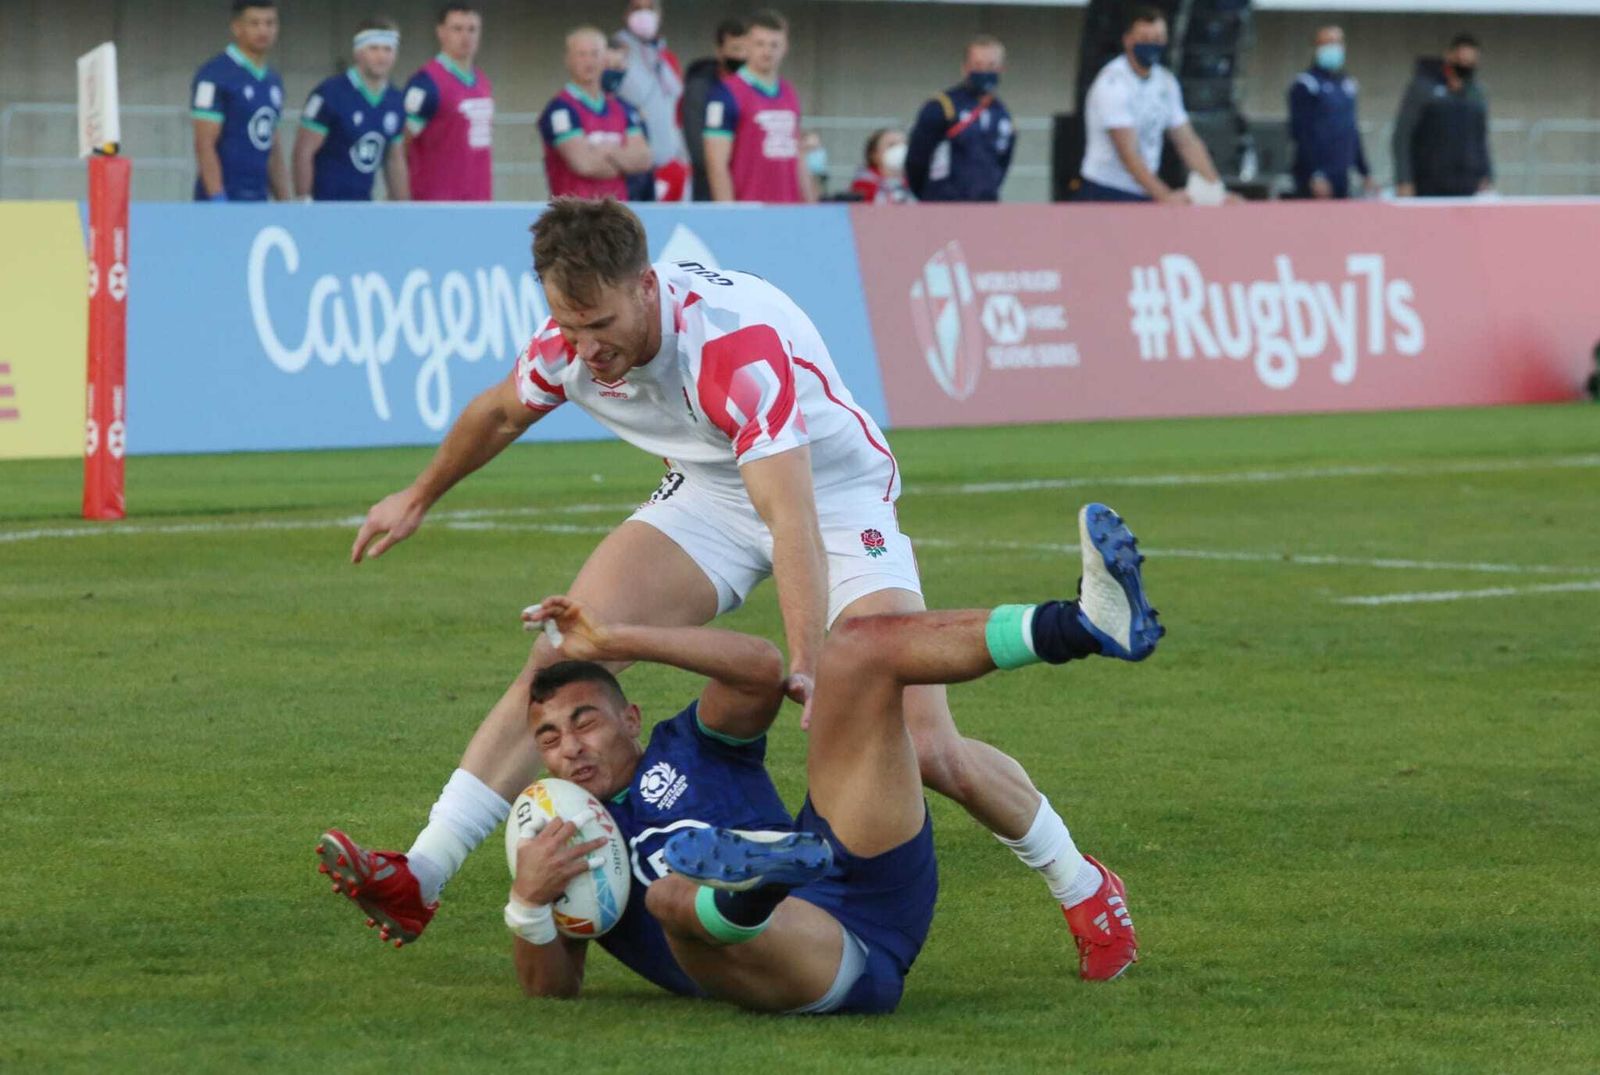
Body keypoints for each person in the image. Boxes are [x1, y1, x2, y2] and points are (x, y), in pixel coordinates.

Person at [319, 198, 1157, 983]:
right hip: (711, 492)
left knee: (928, 746)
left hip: (828, 495)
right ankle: (420, 873)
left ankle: (1083, 882)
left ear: (646, 286)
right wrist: (419, 494)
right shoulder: (568, 344)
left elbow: (789, 516)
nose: (588, 348)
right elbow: (499, 413)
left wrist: (808, 663)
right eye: (571, 326)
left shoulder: (732, 347)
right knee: (563, 650)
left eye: (603, 324)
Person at [497, 507, 1158, 1011]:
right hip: (816, 960)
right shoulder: (562, 832)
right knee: (672, 896)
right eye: (550, 737)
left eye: (584, 720)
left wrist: (614, 635)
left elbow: (759, 667)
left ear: (628, 718)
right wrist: (529, 900)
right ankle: (756, 886)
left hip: (858, 878)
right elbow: (552, 989)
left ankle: (1082, 623)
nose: (571, 745)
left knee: (858, 648)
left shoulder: (688, 743)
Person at [1077, 6, 1229, 203]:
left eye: (1158, 39)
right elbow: (1128, 154)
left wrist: (1216, 189)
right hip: (1107, 190)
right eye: (1145, 38)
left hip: (1143, 191)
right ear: (1128, 40)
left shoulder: (1165, 82)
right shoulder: (1112, 83)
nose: (1152, 45)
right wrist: (1164, 197)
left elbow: (1187, 141)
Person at [293, 18, 410, 202]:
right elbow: (304, 151)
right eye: (374, 48)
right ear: (358, 52)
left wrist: (403, 207)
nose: (382, 56)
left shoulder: (395, 100)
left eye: (388, 49)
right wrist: (303, 200)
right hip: (325, 205)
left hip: (363, 207)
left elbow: (394, 159)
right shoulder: (330, 93)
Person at [703, 9, 812, 204]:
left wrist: (811, 205)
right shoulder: (725, 93)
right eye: (760, 44)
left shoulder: (789, 93)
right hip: (749, 211)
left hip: (789, 210)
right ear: (747, 45)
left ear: (785, 47)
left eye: (774, 44)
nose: (767, 51)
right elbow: (716, 164)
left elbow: (798, 157)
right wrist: (729, 215)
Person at [189, 0, 289, 202]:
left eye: (270, 23)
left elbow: (273, 146)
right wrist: (218, 198)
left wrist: (284, 201)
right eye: (255, 23)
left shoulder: (273, 80)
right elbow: (204, 144)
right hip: (223, 200)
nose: (263, 30)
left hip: (259, 199)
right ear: (237, 27)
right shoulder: (213, 75)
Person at [538, 28, 651, 201]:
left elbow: (643, 160)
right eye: (581, 54)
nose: (589, 61)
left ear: (604, 59)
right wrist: (623, 162)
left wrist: (608, 152)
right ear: (568, 60)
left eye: (595, 54)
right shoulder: (561, 109)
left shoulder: (622, 108)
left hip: (616, 215)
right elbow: (584, 164)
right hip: (574, 216)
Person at [904, 35, 1014, 203]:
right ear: (965, 68)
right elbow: (916, 160)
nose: (984, 71)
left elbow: (1002, 163)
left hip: (985, 205)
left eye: (991, 65)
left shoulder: (1003, 115)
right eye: (978, 65)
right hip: (943, 203)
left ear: (1001, 69)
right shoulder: (942, 106)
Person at [404, 3, 494, 202]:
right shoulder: (426, 83)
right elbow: (402, 141)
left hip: (480, 199)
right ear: (441, 32)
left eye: (472, 29)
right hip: (437, 201)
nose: (466, 36)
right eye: (457, 29)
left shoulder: (481, 81)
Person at [1392, 33, 1493, 198]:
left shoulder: (1476, 94)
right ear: (1449, 56)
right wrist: (1404, 179)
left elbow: (1481, 138)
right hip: (1428, 182)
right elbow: (1402, 135)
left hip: (1467, 183)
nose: (1466, 66)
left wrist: (1486, 173)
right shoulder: (1423, 88)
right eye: (1462, 60)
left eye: (1471, 62)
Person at [1287, 26, 1373, 200]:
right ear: (1316, 48)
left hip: (1341, 172)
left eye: (1337, 42)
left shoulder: (1347, 84)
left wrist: (1365, 172)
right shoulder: (1306, 84)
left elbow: (1351, 129)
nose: (1334, 47)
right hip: (1314, 174)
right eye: (1327, 43)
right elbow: (1301, 132)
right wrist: (1315, 174)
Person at [613, 0, 685, 203]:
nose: (644, 14)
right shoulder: (616, 55)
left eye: (650, 9)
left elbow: (676, 113)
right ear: (626, 14)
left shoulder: (666, 59)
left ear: (659, 15)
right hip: (635, 168)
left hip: (671, 164)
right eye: (637, 9)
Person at [680, 18, 747, 203]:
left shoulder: (752, 90)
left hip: (746, 189)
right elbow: (698, 149)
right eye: (735, 49)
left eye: (745, 50)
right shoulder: (700, 88)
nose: (741, 56)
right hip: (708, 191)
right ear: (720, 51)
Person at [851, 128, 913, 203]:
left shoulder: (916, 184)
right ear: (874, 154)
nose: (900, 149)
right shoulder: (863, 186)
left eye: (904, 144)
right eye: (892, 145)